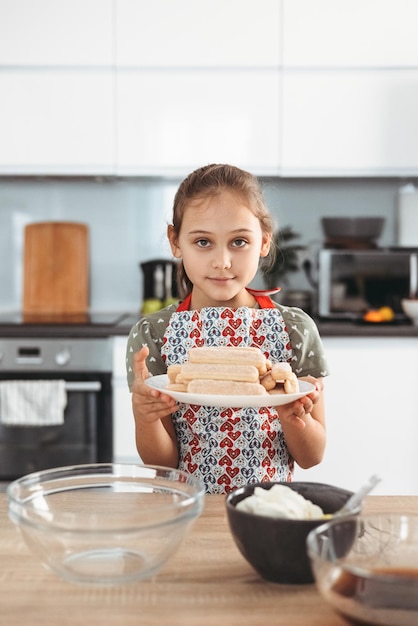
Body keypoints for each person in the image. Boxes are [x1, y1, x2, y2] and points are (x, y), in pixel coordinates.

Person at [126, 164, 329, 494]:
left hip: (265, 510)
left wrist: (292, 418)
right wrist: (144, 416)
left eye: (238, 241)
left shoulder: (294, 329)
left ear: (264, 242)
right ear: (175, 242)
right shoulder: (153, 333)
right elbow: (161, 464)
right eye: (203, 242)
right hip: (186, 509)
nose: (222, 261)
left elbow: (312, 456)